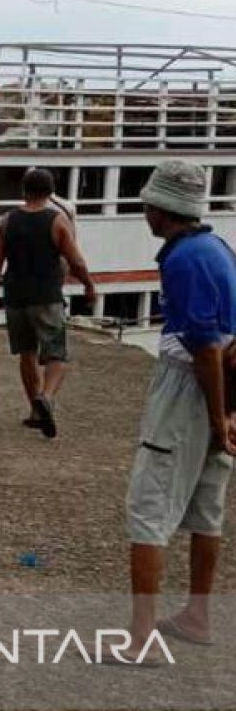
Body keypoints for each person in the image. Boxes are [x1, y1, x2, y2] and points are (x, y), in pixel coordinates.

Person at [114, 160, 236, 664]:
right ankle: (197, 615)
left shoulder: (182, 259)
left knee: (148, 510)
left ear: (161, 208)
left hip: (190, 391)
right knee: (207, 508)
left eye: (147, 203)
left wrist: (213, 414)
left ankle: (142, 640)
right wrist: (229, 411)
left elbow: (203, 347)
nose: (144, 211)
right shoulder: (220, 248)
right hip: (223, 390)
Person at [0, 168, 95, 439]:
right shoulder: (57, 221)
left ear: (24, 190)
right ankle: (46, 397)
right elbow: (75, 260)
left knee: (27, 353)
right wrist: (89, 284)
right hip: (46, 294)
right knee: (57, 353)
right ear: (50, 192)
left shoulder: (7, 220)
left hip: (15, 296)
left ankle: (35, 411)